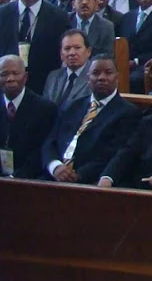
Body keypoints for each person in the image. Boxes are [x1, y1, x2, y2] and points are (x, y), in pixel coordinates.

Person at [41, 55, 138, 185]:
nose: (101, 78)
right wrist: (55, 166)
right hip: (54, 176)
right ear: (87, 78)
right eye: (96, 73)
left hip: (90, 181)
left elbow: (113, 155)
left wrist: (77, 175)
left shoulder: (128, 112)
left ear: (117, 78)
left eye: (108, 73)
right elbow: (50, 141)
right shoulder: (71, 106)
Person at [0, 54, 59, 179]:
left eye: (16, 73)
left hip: (31, 180)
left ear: (25, 77)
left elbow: (41, 152)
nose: (10, 78)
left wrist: (14, 178)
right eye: (4, 74)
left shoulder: (44, 108)